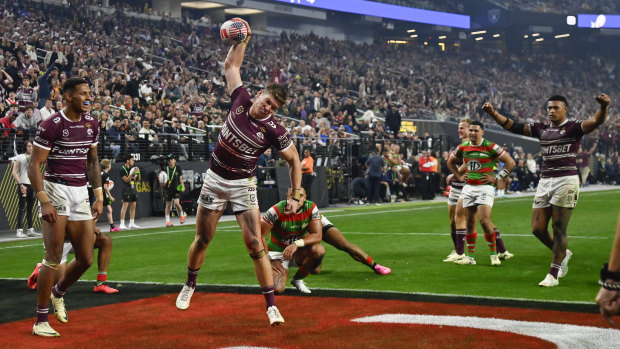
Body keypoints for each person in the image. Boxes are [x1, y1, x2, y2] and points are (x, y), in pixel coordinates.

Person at [175, 18, 302, 326]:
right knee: (203, 238)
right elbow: (231, 65)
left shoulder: (274, 130)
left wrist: (296, 193)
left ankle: (271, 305)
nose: (268, 109)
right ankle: (190, 284)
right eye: (268, 102)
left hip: (243, 184)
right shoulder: (241, 99)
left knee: (255, 244)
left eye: (274, 108)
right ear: (259, 94)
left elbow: (294, 159)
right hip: (215, 178)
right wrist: (243, 38)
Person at [483, 94, 610, 286]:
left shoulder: (574, 127)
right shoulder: (541, 129)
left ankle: (553, 274)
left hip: (566, 180)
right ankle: (563, 253)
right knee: (537, 228)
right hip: (545, 181)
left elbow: (597, 121)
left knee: (559, 228)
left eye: (556, 108)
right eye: (549, 108)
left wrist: (604, 107)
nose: (551, 111)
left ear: (565, 109)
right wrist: (493, 113)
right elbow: (512, 126)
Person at [28, 77, 103, 337]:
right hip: (55, 189)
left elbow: (92, 161)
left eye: (89, 93)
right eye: (83, 93)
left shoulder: (92, 123)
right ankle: (40, 320)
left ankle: (58, 293)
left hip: (80, 190)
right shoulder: (51, 125)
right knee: (53, 257)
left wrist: (99, 194)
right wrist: (43, 199)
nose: (88, 97)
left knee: (86, 258)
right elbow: (34, 165)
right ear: (68, 96)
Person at [444, 118, 513, 263]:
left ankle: (496, 253)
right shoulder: (462, 147)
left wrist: (496, 177)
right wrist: (457, 176)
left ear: (482, 132)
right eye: (470, 130)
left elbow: (510, 162)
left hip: (482, 188)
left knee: (484, 221)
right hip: (466, 187)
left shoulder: (490, 146)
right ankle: (466, 255)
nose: (470, 132)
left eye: (474, 130)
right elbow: (453, 162)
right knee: (460, 220)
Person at [261, 188, 324, 294]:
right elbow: (259, 235)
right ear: (287, 197)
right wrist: (267, 260)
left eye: (301, 196)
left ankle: (297, 279)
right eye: (293, 196)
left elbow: (317, 235)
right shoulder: (276, 210)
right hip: (278, 252)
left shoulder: (311, 207)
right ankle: (283, 268)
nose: (297, 199)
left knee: (319, 251)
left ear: (305, 197)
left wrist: (296, 244)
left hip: (298, 250)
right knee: (278, 289)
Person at [27, 224, 119, 294]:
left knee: (105, 240)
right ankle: (41, 270)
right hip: (59, 241)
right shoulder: (55, 201)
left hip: (76, 238)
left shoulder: (85, 200)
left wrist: (91, 228)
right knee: (58, 288)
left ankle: (100, 284)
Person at [313, 214, 391, 275]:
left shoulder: (309, 207)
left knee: (345, 245)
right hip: (307, 232)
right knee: (316, 271)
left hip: (318, 224)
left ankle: (375, 266)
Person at [12, 140, 39, 238]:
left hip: (32, 185)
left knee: (30, 209)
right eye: (28, 146)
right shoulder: (19, 157)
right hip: (23, 184)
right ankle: (19, 230)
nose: (30, 148)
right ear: (25, 147)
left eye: (31, 146)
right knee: (22, 208)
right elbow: (14, 172)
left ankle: (30, 230)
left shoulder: (35, 158)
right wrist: (21, 185)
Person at [119, 155, 141, 230]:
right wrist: (132, 174)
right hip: (126, 188)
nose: (133, 161)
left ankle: (132, 223)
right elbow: (126, 180)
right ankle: (122, 224)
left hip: (133, 188)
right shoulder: (122, 169)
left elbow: (138, 179)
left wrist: (138, 172)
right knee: (125, 206)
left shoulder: (133, 169)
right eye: (132, 160)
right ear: (128, 161)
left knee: (133, 206)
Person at [163, 155, 186, 227]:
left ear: (174, 161)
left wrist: (183, 185)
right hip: (168, 189)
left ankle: (181, 215)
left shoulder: (178, 168)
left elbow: (180, 179)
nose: (170, 161)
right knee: (168, 205)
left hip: (176, 189)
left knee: (176, 203)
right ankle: (167, 221)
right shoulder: (165, 169)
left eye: (171, 159)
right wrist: (162, 183)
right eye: (169, 160)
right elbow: (162, 181)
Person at [100, 159, 120, 232]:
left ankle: (112, 227)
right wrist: (110, 196)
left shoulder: (101, 173)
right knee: (98, 212)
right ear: (108, 166)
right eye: (110, 164)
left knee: (109, 210)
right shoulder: (106, 175)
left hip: (100, 193)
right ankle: (90, 227)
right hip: (102, 194)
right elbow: (105, 187)